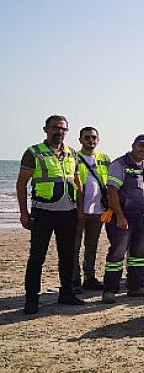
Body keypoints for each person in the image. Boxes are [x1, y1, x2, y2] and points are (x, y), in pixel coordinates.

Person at [17, 115, 85, 314]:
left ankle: (66, 293)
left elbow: (77, 182)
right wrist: (24, 213)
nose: (59, 131)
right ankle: (31, 299)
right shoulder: (34, 152)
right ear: (45, 129)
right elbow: (21, 184)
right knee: (37, 257)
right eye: (55, 127)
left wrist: (80, 209)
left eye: (63, 128)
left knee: (67, 256)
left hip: (68, 213)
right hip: (43, 213)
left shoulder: (72, 153)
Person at [101, 134, 144, 303]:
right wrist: (119, 216)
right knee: (117, 253)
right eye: (141, 145)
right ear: (133, 145)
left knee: (139, 254)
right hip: (124, 217)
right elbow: (112, 191)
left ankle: (135, 286)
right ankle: (110, 290)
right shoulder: (120, 164)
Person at [73, 126, 110, 292]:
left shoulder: (104, 158)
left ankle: (90, 278)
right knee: (73, 247)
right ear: (80, 140)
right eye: (87, 137)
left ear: (98, 139)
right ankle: (74, 280)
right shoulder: (73, 157)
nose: (90, 141)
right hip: (76, 210)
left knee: (91, 246)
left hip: (98, 210)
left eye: (93, 137)